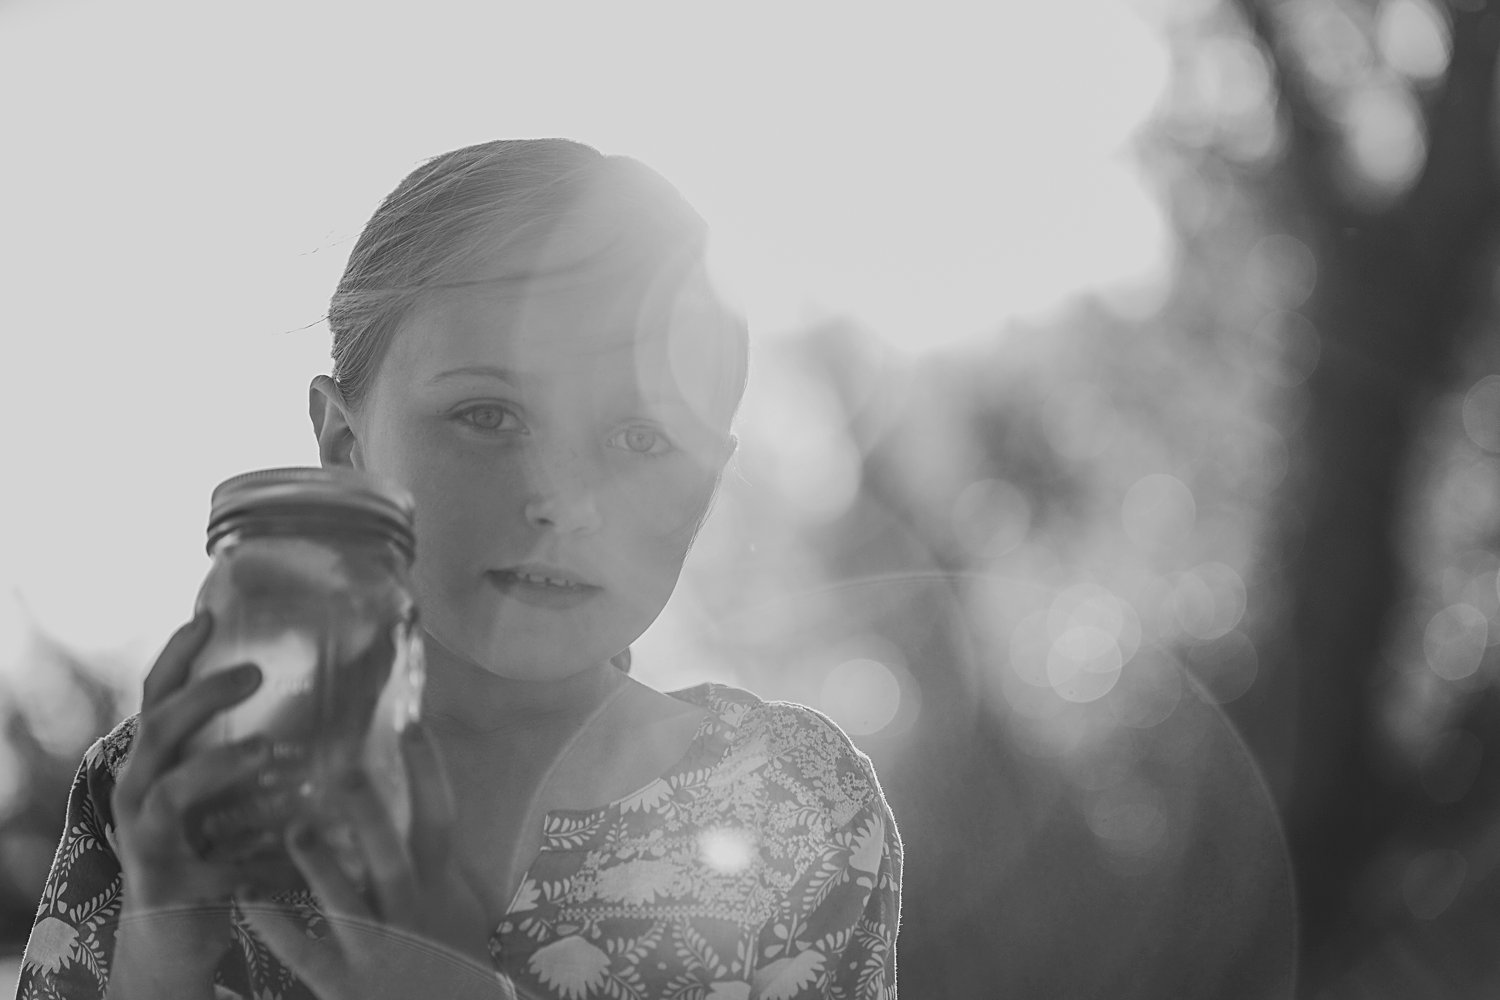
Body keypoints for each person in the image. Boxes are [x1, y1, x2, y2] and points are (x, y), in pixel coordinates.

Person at [15, 138, 902, 1000]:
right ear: (344, 448)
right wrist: (158, 955)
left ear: (708, 480)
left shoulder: (795, 807)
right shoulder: (171, 796)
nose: (563, 500)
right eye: (488, 414)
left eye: (642, 437)